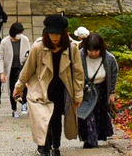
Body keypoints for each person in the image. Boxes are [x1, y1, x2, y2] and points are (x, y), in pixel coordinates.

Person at [13, 14, 84, 156]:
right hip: (41, 87)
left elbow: (78, 73)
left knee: (56, 118)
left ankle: (55, 146)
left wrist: (78, 94)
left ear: (63, 33)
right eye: (51, 33)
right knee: (43, 119)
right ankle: (43, 144)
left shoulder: (71, 48)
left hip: (61, 88)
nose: (54, 37)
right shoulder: (38, 47)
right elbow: (28, 69)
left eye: (57, 34)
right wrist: (19, 86)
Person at [78, 33, 119, 149]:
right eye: (91, 51)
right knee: (86, 114)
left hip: (101, 89)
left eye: (96, 51)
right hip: (85, 90)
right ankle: (90, 140)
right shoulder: (80, 56)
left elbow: (114, 74)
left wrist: (112, 92)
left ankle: (93, 139)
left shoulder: (109, 58)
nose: (94, 53)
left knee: (99, 114)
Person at [0, 21, 31, 118]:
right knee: (12, 89)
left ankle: (24, 104)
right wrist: (2, 73)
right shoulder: (4, 42)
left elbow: (29, 54)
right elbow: (0, 58)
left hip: (22, 68)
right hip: (11, 69)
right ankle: (14, 109)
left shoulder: (25, 40)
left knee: (23, 88)